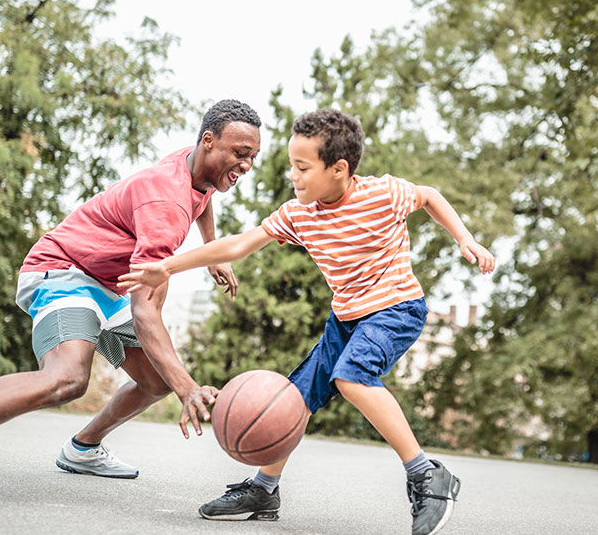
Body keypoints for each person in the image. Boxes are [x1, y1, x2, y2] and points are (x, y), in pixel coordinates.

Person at [0, 99, 262, 511]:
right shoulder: (165, 204)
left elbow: (204, 196)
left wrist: (212, 251)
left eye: (253, 156)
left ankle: (83, 449)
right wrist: (189, 389)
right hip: (63, 269)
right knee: (67, 379)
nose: (246, 165)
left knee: (155, 379)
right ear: (209, 141)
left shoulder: (193, 165)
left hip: (108, 281)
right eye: (239, 154)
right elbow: (145, 314)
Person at [119, 108, 495, 535]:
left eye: (302, 168)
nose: (293, 177)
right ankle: (265, 487)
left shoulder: (383, 194)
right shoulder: (299, 214)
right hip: (346, 318)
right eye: (290, 166)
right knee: (294, 398)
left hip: (396, 309)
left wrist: (465, 238)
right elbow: (240, 244)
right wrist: (168, 266)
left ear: (339, 169)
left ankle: (426, 475)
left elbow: (428, 195)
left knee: (352, 377)